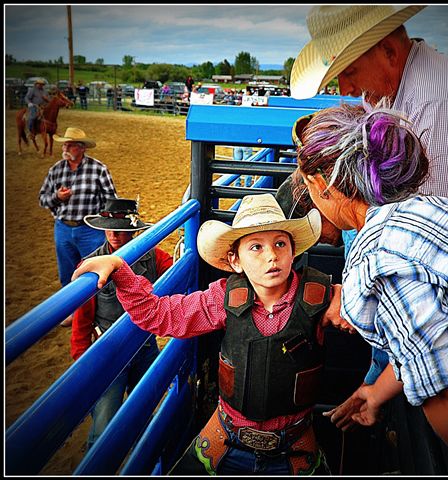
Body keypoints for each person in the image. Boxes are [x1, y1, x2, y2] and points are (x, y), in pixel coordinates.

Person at [292, 101, 448, 475]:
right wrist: (375, 393)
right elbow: (433, 341)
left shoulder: (381, 260)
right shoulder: (422, 210)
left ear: (321, 185)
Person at [71, 193, 356, 475]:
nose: (272, 255)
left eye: (280, 243)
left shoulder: (323, 297)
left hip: (294, 447)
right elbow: (161, 315)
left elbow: (384, 321)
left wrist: (348, 301)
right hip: (228, 438)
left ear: (293, 252)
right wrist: (120, 270)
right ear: (235, 261)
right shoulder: (223, 298)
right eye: (256, 247)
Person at [290, 5, 448, 230]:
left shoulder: (439, 101)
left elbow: (436, 225)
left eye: (350, 72)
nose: (345, 89)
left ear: (389, 52)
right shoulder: (393, 91)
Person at [70, 197, 173, 450]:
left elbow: (177, 273)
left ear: (134, 230)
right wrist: (82, 361)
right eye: (109, 227)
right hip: (110, 350)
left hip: (144, 345)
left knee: (143, 408)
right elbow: (81, 320)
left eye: (122, 230)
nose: (114, 235)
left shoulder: (154, 258)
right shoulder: (91, 266)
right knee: (104, 425)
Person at [39, 127, 117, 326]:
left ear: (81, 148)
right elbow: (43, 199)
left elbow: (110, 200)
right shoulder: (56, 170)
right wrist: (57, 197)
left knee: (95, 271)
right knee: (66, 271)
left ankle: (97, 312)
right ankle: (71, 311)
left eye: (70, 144)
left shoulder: (98, 169)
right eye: (65, 143)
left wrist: (105, 223)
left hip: (89, 228)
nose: (65, 147)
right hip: (63, 228)